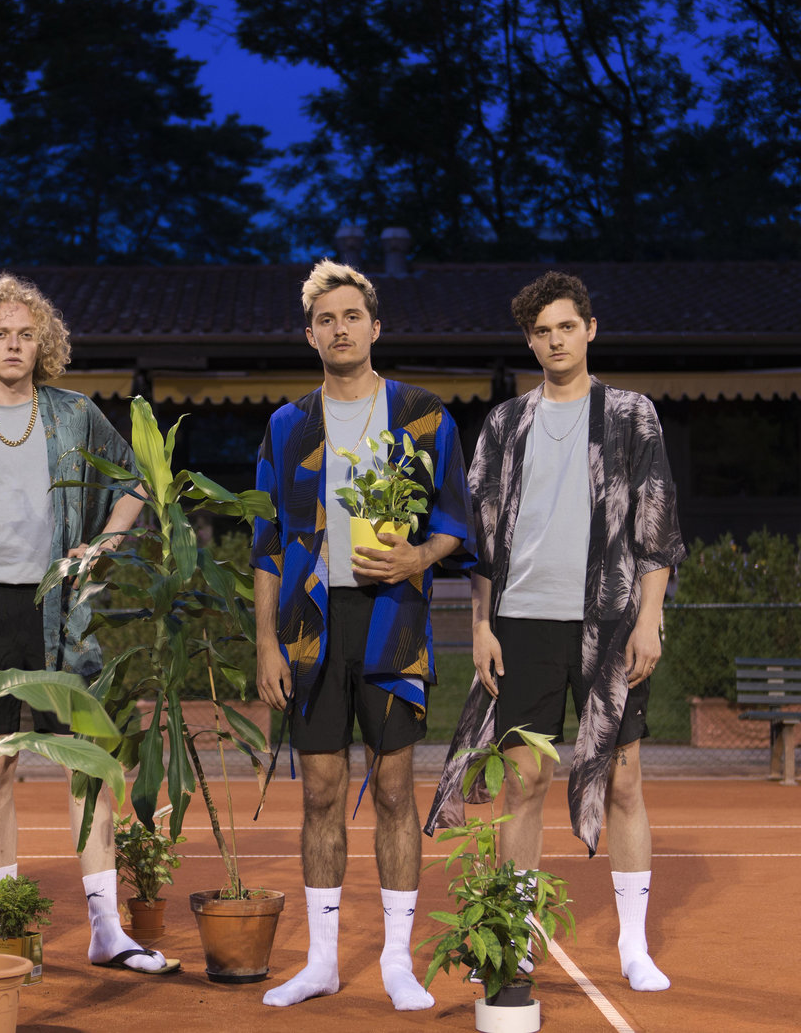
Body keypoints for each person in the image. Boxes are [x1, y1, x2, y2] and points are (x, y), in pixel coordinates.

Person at [0, 272, 178, 975]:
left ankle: (107, 929)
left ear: (43, 343)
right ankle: (6, 922)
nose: (14, 345)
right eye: (0, 334)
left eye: (26, 334)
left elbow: (139, 475)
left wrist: (105, 543)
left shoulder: (75, 413)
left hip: (62, 605)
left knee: (88, 764)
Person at [425, 270, 686, 992]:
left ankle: (634, 944)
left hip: (610, 620)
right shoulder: (506, 423)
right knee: (524, 782)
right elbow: (480, 536)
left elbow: (657, 521)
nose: (555, 340)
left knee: (624, 779)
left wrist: (650, 618)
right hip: (523, 622)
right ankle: (515, 938)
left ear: (590, 329)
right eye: (542, 331)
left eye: (567, 326)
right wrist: (481, 625)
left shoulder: (631, 413)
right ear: (529, 341)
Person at [251, 259, 475, 1010]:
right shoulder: (287, 427)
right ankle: (320, 962)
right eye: (326, 320)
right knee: (320, 792)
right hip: (309, 631)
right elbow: (267, 545)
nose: (339, 329)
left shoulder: (421, 414)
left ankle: (396, 962)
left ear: (375, 327)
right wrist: (265, 642)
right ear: (310, 335)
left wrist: (418, 557)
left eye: (352, 316)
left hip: (393, 620)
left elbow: (455, 520)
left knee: (393, 788)